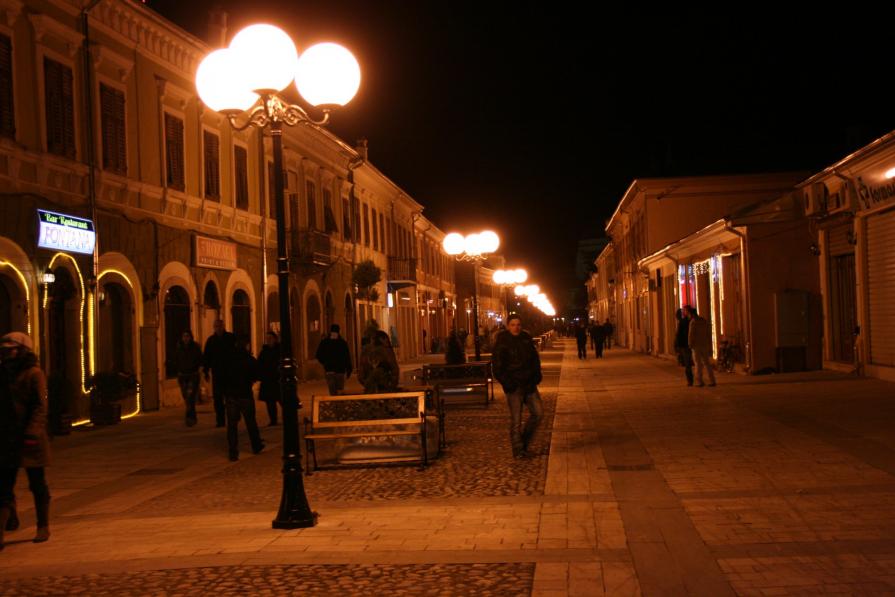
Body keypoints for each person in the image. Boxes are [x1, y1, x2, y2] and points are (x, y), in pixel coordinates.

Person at [0, 332, 51, 548]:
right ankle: (3, 526)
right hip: (7, 437)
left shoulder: (33, 373)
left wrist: (32, 432)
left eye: (11, 349)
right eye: (4, 350)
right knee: (3, 485)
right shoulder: (3, 373)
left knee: (37, 483)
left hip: (30, 439)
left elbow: (40, 406)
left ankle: (43, 525)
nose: (7, 353)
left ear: (22, 350)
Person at [492, 314, 543, 459]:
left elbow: (535, 359)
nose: (516, 327)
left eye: (518, 324)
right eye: (513, 324)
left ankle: (523, 443)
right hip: (514, 386)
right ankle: (518, 450)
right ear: (508, 326)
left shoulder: (526, 338)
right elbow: (497, 367)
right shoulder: (502, 341)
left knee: (538, 414)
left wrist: (536, 376)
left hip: (529, 384)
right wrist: (508, 384)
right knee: (516, 420)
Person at [224, 335, 264, 461]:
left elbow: (223, 375)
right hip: (245, 394)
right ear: (246, 345)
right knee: (250, 421)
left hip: (231, 395)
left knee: (232, 425)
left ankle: (233, 451)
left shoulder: (229, 359)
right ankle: (256, 445)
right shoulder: (249, 359)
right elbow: (257, 375)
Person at [202, 319, 236, 427]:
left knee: (230, 398)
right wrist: (206, 371)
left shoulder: (231, 338)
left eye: (220, 326)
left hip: (230, 373)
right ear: (214, 327)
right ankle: (220, 420)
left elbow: (237, 353)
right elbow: (207, 357)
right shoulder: (211, 341)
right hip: (217, 374)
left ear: (223, 326)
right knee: (217, 399)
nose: (218, 328)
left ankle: (232, 418)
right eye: (216, 326)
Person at [173, 330, 203, 426]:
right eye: (184, 336)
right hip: (182, 375)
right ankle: (192, 416)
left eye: (187, 336)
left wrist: (199, 369)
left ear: (190, 337)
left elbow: (200, 359)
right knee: (186, 397)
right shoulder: (179, 348)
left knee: (190, 396)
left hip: (193, 375)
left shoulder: (195, 347)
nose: (186, 338)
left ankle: (189, 418)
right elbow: (176, 360)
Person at [315, 324, 353, 396]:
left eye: (335, 333)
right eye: (333, 333)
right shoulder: (339, 343)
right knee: (333, 390)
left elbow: (347, 357)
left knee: (338, 390)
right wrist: (325, 363)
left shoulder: (340, 343)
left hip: (338, 371)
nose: (334, 334)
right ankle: (335, 405)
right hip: (331, 370)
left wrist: (348, 369)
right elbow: (318, 355)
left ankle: (337, 405)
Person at [358, 329, 399, 393]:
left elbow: (361, 372)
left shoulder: (365, 351)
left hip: (370, 388)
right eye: (386, 339)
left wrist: (367, 383)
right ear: (381, 339)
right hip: (385, 386)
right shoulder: (387, 351)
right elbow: (394, 369)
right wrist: (392, 384)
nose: (388, 341)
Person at [687, 306, 716, 387]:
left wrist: (690, 344)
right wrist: (709, 342)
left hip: (696, 345)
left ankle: (699, 381)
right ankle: (712, 380)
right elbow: (708, 332)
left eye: (688, 314)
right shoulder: (703, 321)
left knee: (698, 363)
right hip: (704, 344)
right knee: (707, 363)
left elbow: (691, 334)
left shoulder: (693, 322)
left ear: (691, 314)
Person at [257, 331, 281, 425]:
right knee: (270, 402)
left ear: (275, 339)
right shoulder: (264, 351)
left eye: (270, 338)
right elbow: (259, 364)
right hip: (267, 380)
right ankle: (273, 420)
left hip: (277, 379)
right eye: (267, 339)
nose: (268, 340)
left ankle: (288, 418)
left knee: (282, 399)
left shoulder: (279, 350)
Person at [674, 308, 694, 386]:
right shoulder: (688, 321)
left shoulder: (682, 322)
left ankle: (690, 380)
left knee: (687, 364)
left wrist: (677, 346)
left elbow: (678, 335)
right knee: (689, 363)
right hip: (689, 344)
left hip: (685, 345)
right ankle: (693, 379)